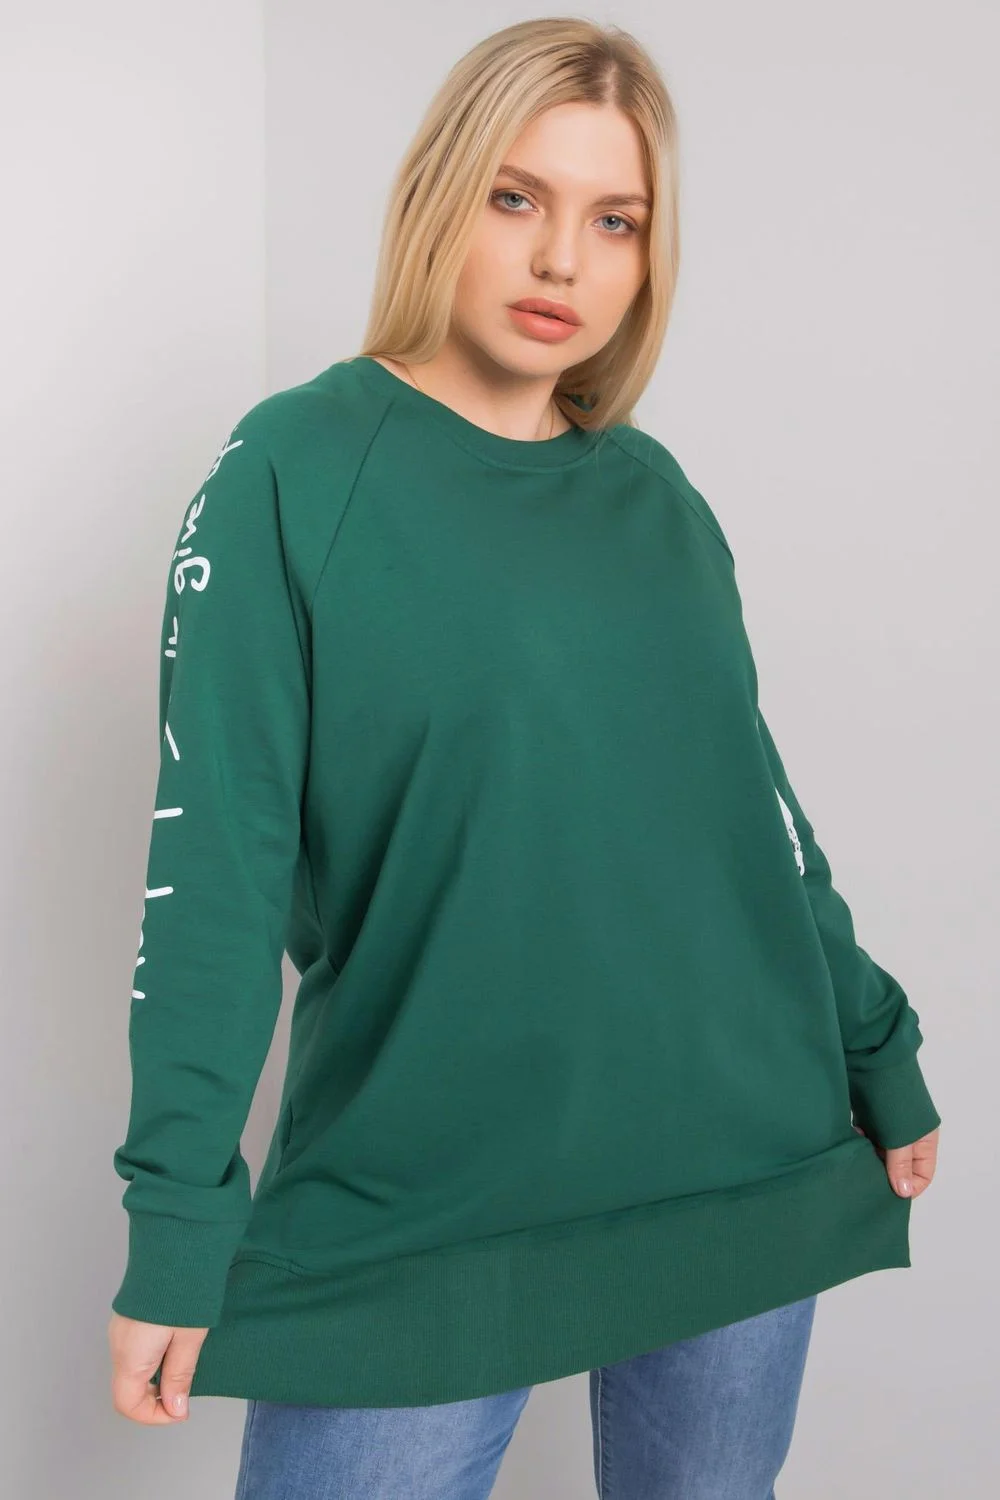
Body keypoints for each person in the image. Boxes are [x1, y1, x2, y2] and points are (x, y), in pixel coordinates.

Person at [106, 16, 941, 1498]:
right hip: (421, 1214)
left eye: (615, 220)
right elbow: (214, 876)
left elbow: (751, 815)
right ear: (441, 196)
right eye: (517, 197)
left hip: (738, 1165)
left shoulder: (655, 501)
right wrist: (178, 1220)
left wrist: (876, 1043)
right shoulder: (290, 472)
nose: (562, 260)